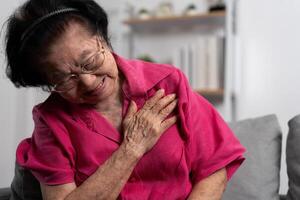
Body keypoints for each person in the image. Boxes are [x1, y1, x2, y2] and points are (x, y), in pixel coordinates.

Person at [5, 0, 246, 199]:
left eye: (89, 61)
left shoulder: (168, 83)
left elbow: (214, 170)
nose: (88, 82)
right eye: (64, 79)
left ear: (103, 38)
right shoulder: (51, 121)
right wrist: (132, 148)